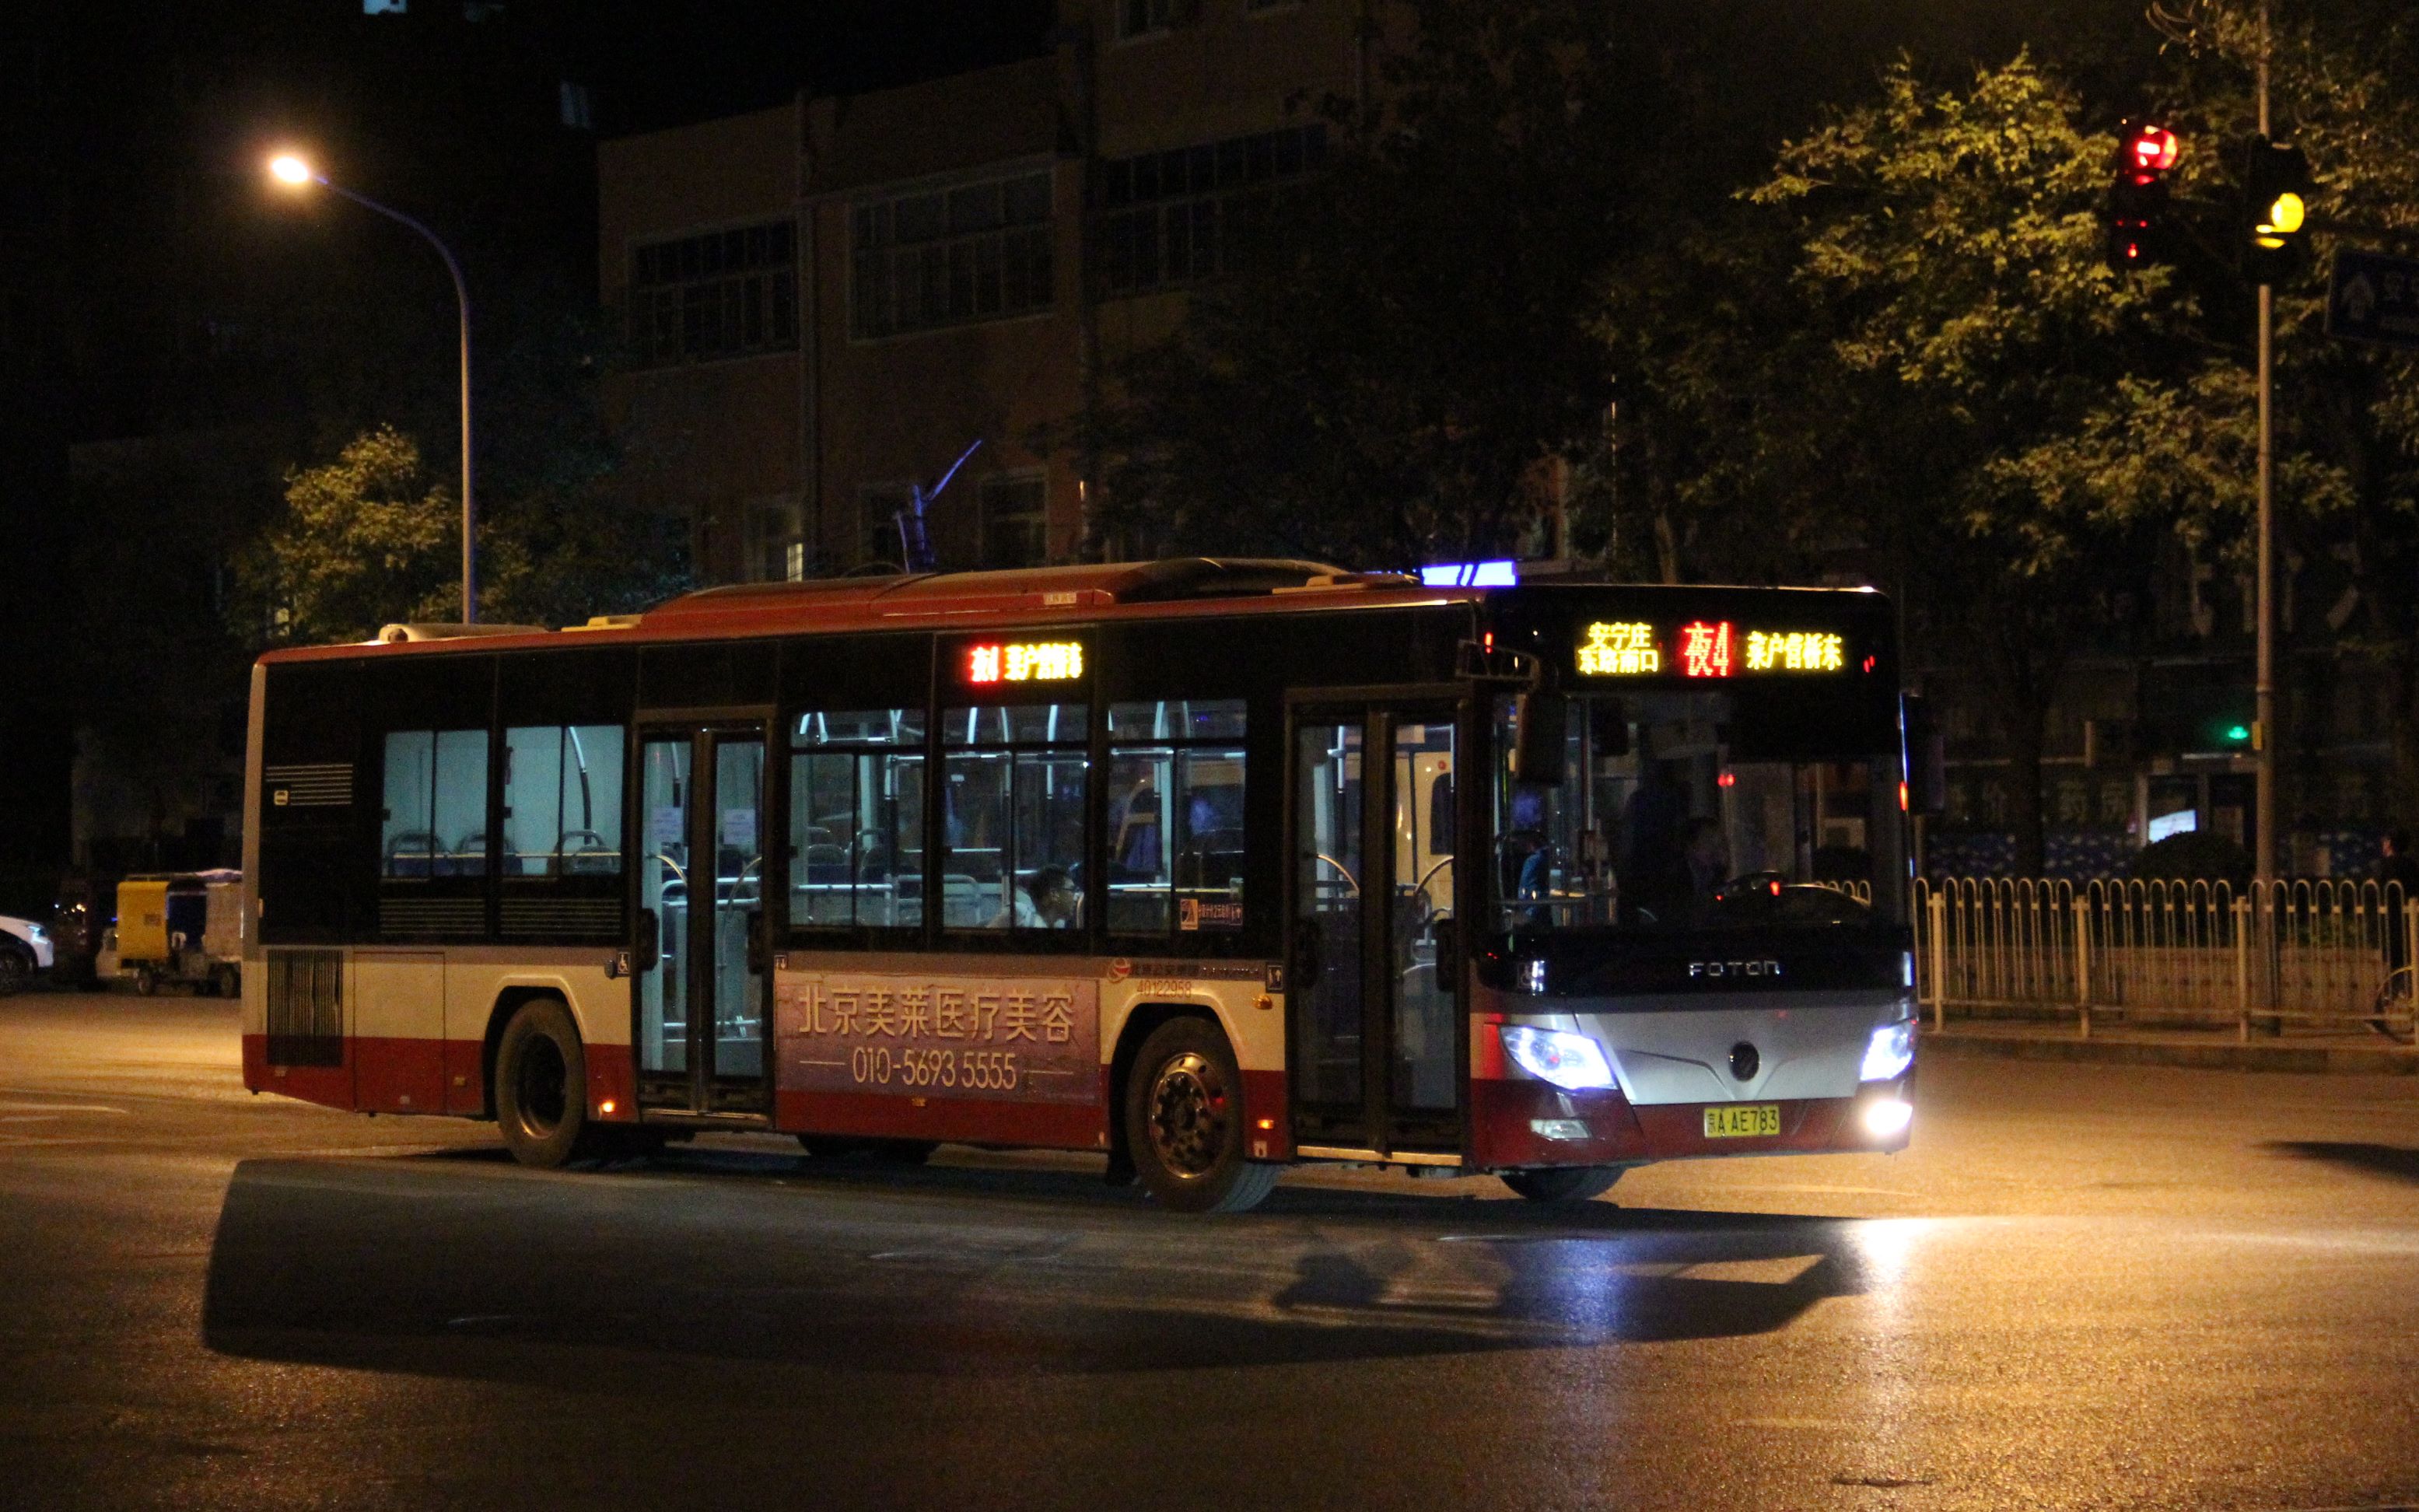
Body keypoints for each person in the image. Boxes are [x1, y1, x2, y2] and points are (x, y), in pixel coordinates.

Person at [996, 865, 1080, 929]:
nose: (1076, 897)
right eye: (1072, 890)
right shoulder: (1019, 914)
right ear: (1054, 894)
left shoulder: (1060, 924)